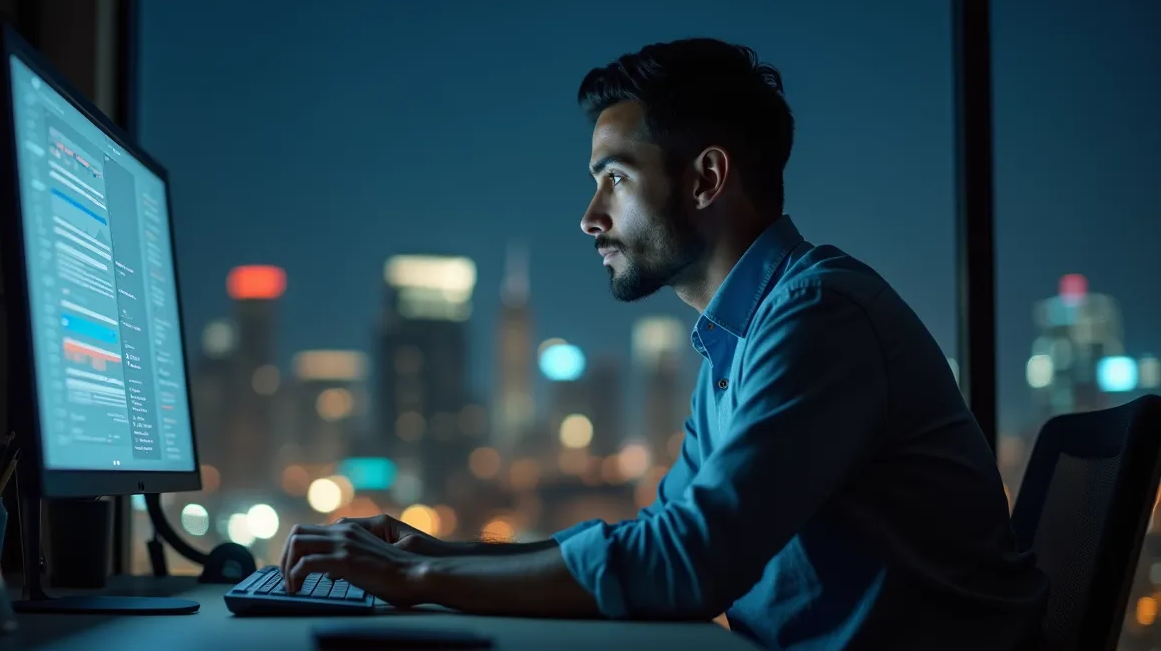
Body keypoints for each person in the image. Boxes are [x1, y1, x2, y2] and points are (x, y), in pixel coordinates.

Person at [281, 38, 1049, 649]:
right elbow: (659, 540)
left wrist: (416, 579)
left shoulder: (820, 318)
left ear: (707, 178)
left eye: (613, 177)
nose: (589, 216)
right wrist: (434, 553)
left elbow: (688, 566)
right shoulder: (739, 339)